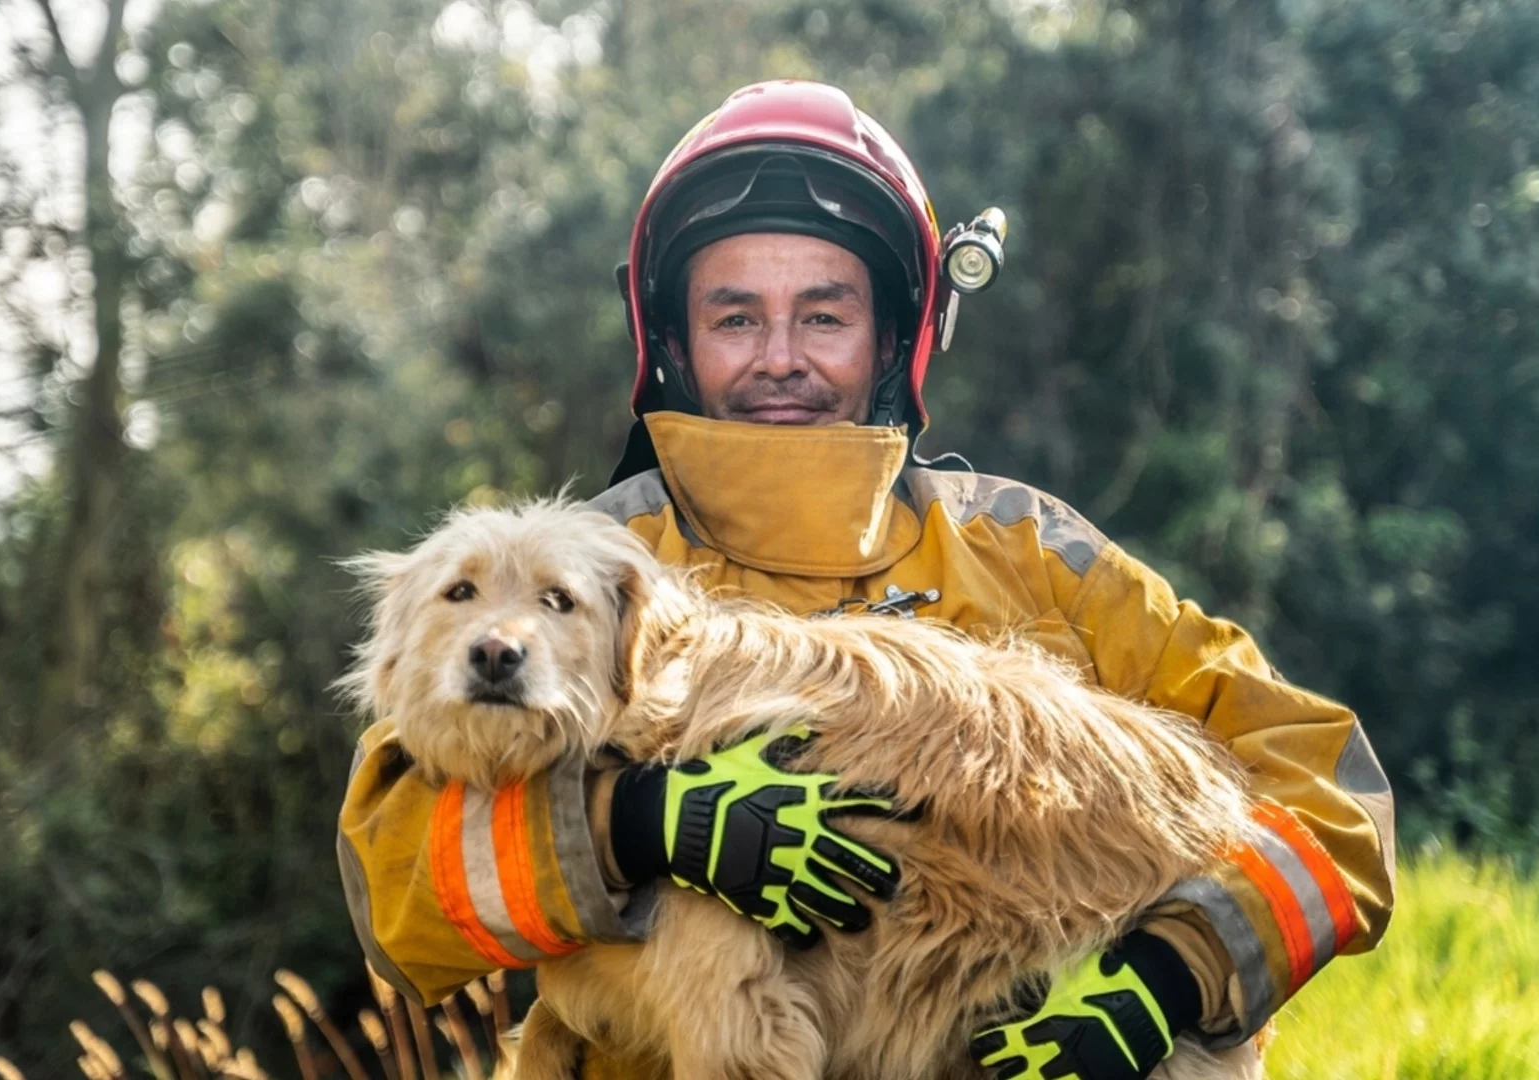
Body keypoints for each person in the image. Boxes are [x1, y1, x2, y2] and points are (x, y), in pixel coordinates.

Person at [339, 80, 1396, 1080]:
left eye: (824, 315)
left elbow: (1332, 791)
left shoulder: (1029, 552)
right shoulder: (590, 566)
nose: (780, 356)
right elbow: (395, 884)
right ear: (674, 341)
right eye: (735, 317)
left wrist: (1168, 975)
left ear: (896, 336)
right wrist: (628, 822)